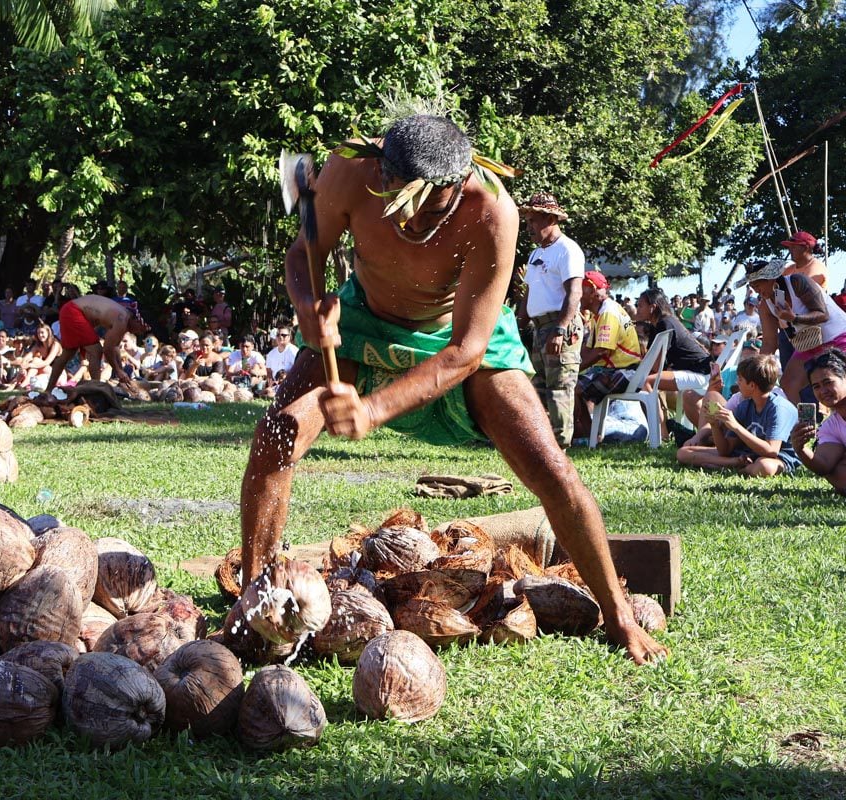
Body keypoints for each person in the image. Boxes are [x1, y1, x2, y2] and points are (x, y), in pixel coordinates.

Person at [239, 114, 665, 664]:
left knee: (553, 468)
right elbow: (304, 254)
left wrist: (372, 409)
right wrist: (307, 305)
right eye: (399, 207)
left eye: (430, 210)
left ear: (458, 184)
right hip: (366, 319)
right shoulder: (349, 169)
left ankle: (619, 615)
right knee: (276, 433)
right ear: (382, 174)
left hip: (459, 336)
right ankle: (256, 600)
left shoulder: (493, 210)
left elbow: (464, 353)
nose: (414, 223)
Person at [518, 192, 584, 448]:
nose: (529, 227)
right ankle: (543, 444)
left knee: (559, 389)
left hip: (558, 325)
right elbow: (529, 294)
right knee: (539, 388)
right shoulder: (536, 254)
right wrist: (518, 326)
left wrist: (560, 330)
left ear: (549, 219)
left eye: (532, 221)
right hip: (540, 328)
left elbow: (574, 292)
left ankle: (560, 447)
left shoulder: (567, 250)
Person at [741, 257, 846, 403]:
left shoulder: (798, 282)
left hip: (838, 336)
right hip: (809, 344)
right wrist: (756, 371)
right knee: (789, 383)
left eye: (758, 284)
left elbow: (823, 314)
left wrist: (794, 318)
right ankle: (803, 424)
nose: (756, 290)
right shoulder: (765, 305)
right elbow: (769, 343)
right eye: (753, 286)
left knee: (837, 383)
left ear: (772, 278)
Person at [676, 354, 799, 476]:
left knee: (764, 466)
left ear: (752, 385)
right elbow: (725, 449)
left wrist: (736, 426)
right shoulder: (744, 406)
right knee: (683, 452)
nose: (737, 383)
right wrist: (714, 425)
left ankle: (741, 469)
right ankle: (733, 463)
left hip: (778, 458)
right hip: (747, 454)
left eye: (740, 379)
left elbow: (772, 451)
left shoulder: (778, 409)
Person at [575, 270, 643, 436]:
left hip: (624, 372)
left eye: (579, 290)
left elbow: (601, 351)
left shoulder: (608, 313)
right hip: (616, 370)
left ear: (591, 291)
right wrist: (572, 364)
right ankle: (589, 432)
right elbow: (588, 349)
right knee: (571, 381)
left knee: (571, 387)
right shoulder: (601, 312)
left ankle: (588, 434)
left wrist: (573, 370)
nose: (576, 294)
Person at [634, 288, 713, 428]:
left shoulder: (665, 324)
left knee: (646, 381)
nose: (637, 309)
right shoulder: (658, 325)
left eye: (640, 305)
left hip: (701, 373)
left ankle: (661, 433)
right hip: (697, 371)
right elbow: (656, 364)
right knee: (648, 379)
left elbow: (655, 366)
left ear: (652, 307)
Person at [42, 293, 150, 394]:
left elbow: (115, 347)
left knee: (68, 354)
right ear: (137, 321)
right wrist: (118, 371)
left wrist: (120, 370)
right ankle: (96, 389)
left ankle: (48, 390)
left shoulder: (124, 318)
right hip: (73, 311)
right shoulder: (121, 319)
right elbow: (107, 349)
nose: (139, 333)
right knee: (96, 350)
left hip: (72, 310)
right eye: (140, 330)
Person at [791, 348, 846, 492]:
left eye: (828, 382)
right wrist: (801, 449)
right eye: (816, 386)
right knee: (835, 470)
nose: (823, 391)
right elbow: (824, 465)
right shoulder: (830, 426)